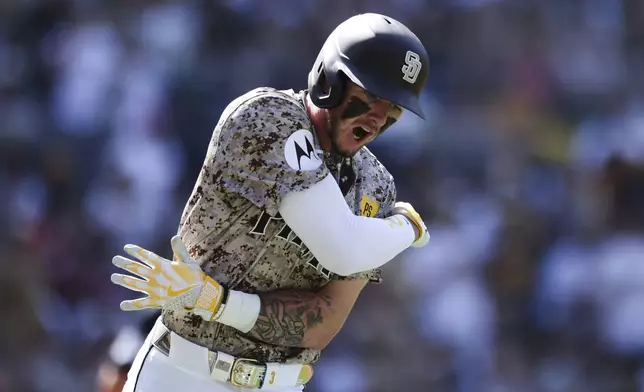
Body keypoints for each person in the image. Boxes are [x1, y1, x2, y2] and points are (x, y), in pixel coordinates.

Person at [110, 12, 431, 392]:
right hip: (184, 372)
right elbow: (343, 249)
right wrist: (406, 227)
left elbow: (324, 320)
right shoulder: (268, 117)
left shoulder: (374, 186)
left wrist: (218, 302)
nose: (379, 117)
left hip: (279, 384)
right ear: (329, 80)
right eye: (372, 95)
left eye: (394, 106)